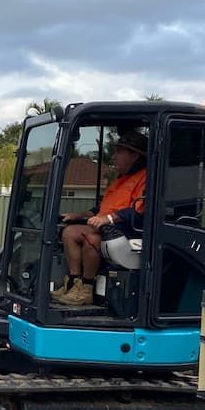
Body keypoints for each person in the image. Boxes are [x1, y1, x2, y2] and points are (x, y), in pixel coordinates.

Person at [51, 129, 147, 306]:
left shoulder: (145, 178)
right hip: (108, 226)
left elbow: (138, 211)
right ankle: (73, 282)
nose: (114, 156)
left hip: (127, 230)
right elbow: (102, 207)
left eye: (119, 151)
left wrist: (108, 219)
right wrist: (79, 215)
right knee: (69, 233)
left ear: (134, 155)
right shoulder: (121, 179)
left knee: (91, 239)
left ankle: (86, 288)